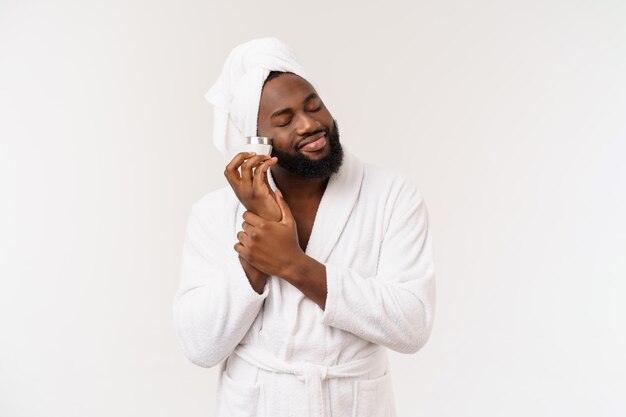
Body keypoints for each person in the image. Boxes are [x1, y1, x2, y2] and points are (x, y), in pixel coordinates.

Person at [172, 37, 436, 417]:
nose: (311, 125)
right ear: (257, 141)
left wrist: (295, 265)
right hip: (259, 404)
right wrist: (257, 251)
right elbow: (200, 346)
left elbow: (413, 325)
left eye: (315, 107)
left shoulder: (391, 195)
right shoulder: (213, 214)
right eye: (285, 120)